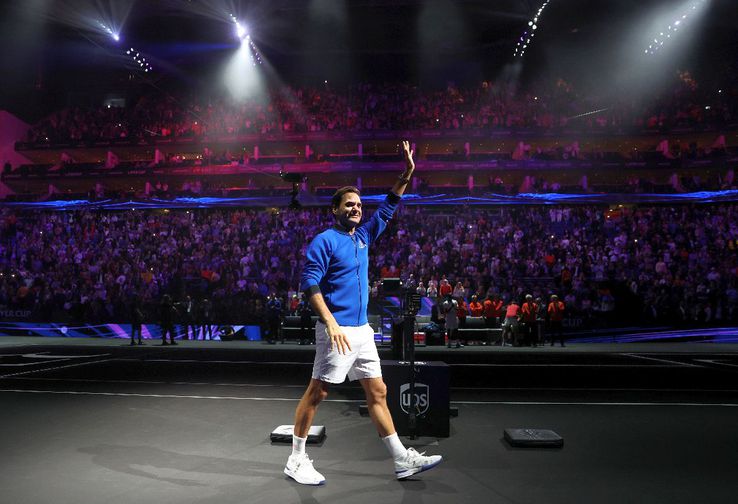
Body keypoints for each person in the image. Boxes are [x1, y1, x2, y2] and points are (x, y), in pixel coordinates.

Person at [285, 140, 442, 486]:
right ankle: (296, 459)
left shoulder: (363, 237)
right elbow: (309, 283)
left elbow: (388, 207)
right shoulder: (325, 240)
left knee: (379, 393)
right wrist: (329, 323)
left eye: (358, 205)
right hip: (337, 330)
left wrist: (407, 173)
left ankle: (402, 460)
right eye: (349, 205)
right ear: (335, 210)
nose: (356, 209)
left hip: (362, 331)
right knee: (318, 393)